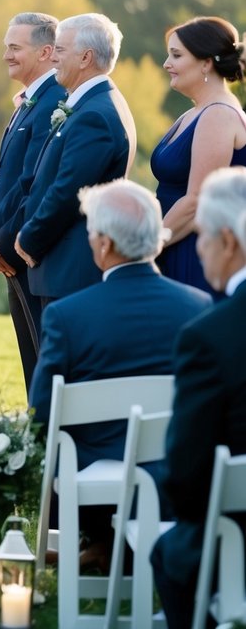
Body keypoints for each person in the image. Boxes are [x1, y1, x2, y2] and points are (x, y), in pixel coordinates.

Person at [29, 179, 210, 562]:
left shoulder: (67, 315)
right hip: (180, 467)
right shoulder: (200, 307)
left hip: (96, 479)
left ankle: (102, 542)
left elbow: (41, 411)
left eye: (91, 232)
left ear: (105, 244)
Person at [151, 167, 246, 629]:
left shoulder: (208, 336)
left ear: (228, 241)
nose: (200, 248)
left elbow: (186, 475)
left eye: (203, 236)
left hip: (234, 531)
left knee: (168, 556)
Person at [15, 13, 137, 308]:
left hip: (71, 267)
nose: (53, 58)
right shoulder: (90, 104)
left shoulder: (95, 114)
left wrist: (28, 238)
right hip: (62, 266)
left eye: (60, 50)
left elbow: (68, 190)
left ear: (85, 57)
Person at [0, 13, 65, 393]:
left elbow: (34, 182)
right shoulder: (28, 102)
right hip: (9, 247)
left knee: (42, 362)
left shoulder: (52, 102)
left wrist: (7, 244)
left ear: (46, 51)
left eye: (15, 47)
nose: (6, 56)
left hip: (28, 251)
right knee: (29, 359)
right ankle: (35, 443)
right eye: (6, 47)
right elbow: (4, 177)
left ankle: (41, 444)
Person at [151, 16, 246, 296]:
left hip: (191, 252)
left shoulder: (217, 114)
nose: (167, 64)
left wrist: (143, 248)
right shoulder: (193, 113)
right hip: (172, 243)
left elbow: (196, 201)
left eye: (176, 55)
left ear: (206, 62)